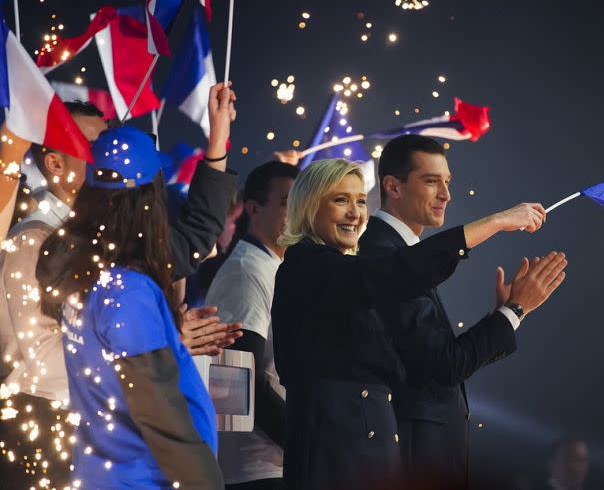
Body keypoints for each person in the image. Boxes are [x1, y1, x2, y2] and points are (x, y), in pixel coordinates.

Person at [271, 158, 567, 490]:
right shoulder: (308, 267)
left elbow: (431, 363)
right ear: (309, 207)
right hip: (336, 456)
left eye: (359, 201)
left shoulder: (343, 270)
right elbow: (398, 274)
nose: (355, 212)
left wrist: (509, 313)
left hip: (369, 453)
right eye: (340, 200)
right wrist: (495, 223)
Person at [0, 85, 241, 486]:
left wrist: (217, 139)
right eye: (94, 146)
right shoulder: (36, 239)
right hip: (50, 434)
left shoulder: (113, 243)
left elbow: (192, 238)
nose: (110, 155)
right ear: (55, 164)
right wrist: (158, 340)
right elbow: (39, 359)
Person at [359, 135, 564, 484]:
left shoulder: (399, 251)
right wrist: (514, 310)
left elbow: (434, 355)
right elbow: (446, 363)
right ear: (392, 186)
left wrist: (507, 314)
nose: (446, 195)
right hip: (412, 456)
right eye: (431, 181)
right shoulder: (382, 252)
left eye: (448, 182)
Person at [206, 160, 299, 489]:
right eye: (289, 202)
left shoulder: (275, 267)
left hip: (276, 464)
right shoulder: (246, 271)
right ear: (254, 208)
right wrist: (304, 444)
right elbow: (237, 383)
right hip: (257, 469)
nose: (300, 212)